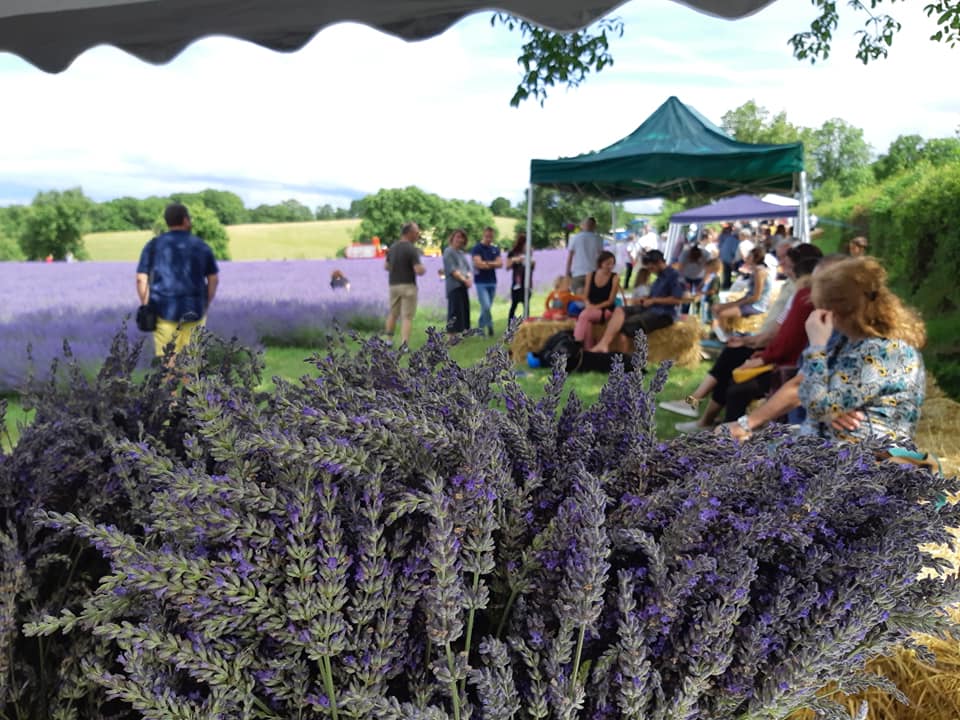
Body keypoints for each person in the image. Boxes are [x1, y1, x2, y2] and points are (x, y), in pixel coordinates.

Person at [662, 244, 823, 432]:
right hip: (774, 350)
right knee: (731, 360)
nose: (782, 262)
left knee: (734, 376)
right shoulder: (796, 290)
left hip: (779, 357)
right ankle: (705, 416)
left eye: (786, 259)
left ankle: (709, 417)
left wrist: (762, 355)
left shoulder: (800, 294)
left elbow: (781, 333)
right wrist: (751, 342)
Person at [798, 256, 926, 448]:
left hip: (865, 460)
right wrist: (829, 412)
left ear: (836, 311)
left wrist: (816, 347)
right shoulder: (849, 341)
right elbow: (810, 397)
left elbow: (817, 405)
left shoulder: (884, 351)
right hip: (834, 449)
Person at [136, 202, 219, 357]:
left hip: (162, 311)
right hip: (195, 310)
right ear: (185, 220)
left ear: (168, 222)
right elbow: (213, 278)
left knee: (167, 361)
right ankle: (188, 380)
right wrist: (206, 302)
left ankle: (170, 380)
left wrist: (146, 304)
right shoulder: (201, 246)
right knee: (192, 361)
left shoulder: (153, 246)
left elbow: (141, 279)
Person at [591, 250, 685, 353]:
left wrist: (654, 300)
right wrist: (646, 299)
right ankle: (603, 344)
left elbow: (677, 300)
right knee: (620, 310)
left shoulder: (674, 276)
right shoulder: (659, 277)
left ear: (659, 262)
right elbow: (655, 296)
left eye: (651, 267)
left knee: (625, 327)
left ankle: (625, 362)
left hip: (664, 314)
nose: (650, 270)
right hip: (650, 308)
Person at [711, 246, 771, 341]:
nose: (746, 258)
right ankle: (724, 335)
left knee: (722, 314)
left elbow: (756, 297)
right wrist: (737, 302)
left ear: (755, 258)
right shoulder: (756, 270)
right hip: (748, 301)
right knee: (715, 307)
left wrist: (738, 304)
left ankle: (726, 338)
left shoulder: (759, 272)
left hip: (757, 305)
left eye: (749, 256)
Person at [385, 221, 426, 346]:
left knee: (393, 314)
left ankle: (388, 341)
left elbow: (386, 266)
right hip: (408, 286)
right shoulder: (411, 249)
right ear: (410, 233)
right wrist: (423, 269)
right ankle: (404, 345)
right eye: (416, 233)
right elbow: (418, 270)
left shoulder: (392, 248)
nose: (418, 235)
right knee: (407, 316)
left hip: (393, 285)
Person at [573, 251, 620, 351]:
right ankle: (589, 350)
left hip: (605, 310)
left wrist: (593, 307)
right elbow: (585, 296)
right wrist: (588, 304)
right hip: (590, 308)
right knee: (588, 323)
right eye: (608, 263)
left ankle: (576, 344)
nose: (610, 266)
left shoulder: (615, 277)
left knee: (583, 315)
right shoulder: (590, 275)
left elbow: (610, 301)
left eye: (612, 264)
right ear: (600, 263)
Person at [472, 226, 503, 336]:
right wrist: (492, 263)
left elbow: (500, 263)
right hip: (481, 282)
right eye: (487, 236)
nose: (489, 238)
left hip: (492, 281)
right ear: (483, 235)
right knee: (485, 306)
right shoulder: (477, 248)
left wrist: (486, 263)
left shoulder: (495, 249)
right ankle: (489, 327)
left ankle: (481, 328)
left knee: (487, 307)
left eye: (491, 236)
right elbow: (478, 264)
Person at [443, 228, 473, 337]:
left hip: (463, 286)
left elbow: (468, 269)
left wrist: (469, 278)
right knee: (454, 311)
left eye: (462, 238)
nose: (460, 240)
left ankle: (461, 334)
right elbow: (453, 271)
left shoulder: (461, 253)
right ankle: (451, 335)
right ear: (453, 238)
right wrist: (465, 280)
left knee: (463, 310)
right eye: (458, 237)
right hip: (454, 286)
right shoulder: (448, 251)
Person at [565, 217, 603, 294]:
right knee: (592, 298)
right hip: (593, 273)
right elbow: (601, 257)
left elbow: (570, 257)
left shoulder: (575, 238)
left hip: (578, 273)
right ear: (594, 226)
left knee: (580, 298)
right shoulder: (598, 239)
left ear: (582, 226)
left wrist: (567, 272)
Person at [506, 231, 533, 322]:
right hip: (517, 284)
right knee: (514, 304)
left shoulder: (529, 252)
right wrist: (515, 260)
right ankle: (510, 324)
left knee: (526, 305)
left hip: (527, 282)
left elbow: (532, 268)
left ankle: (526, 323)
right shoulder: (513, 253)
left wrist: (532, 263)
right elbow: (507, 266)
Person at [717, 223, 740, 289]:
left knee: (726, 272)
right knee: (728, 272)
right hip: (729, 257)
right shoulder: (734, 239)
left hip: (724, 256)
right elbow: (734, 250)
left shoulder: (726, 237)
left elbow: (720, 246)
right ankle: (728, 285)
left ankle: (726, 284)